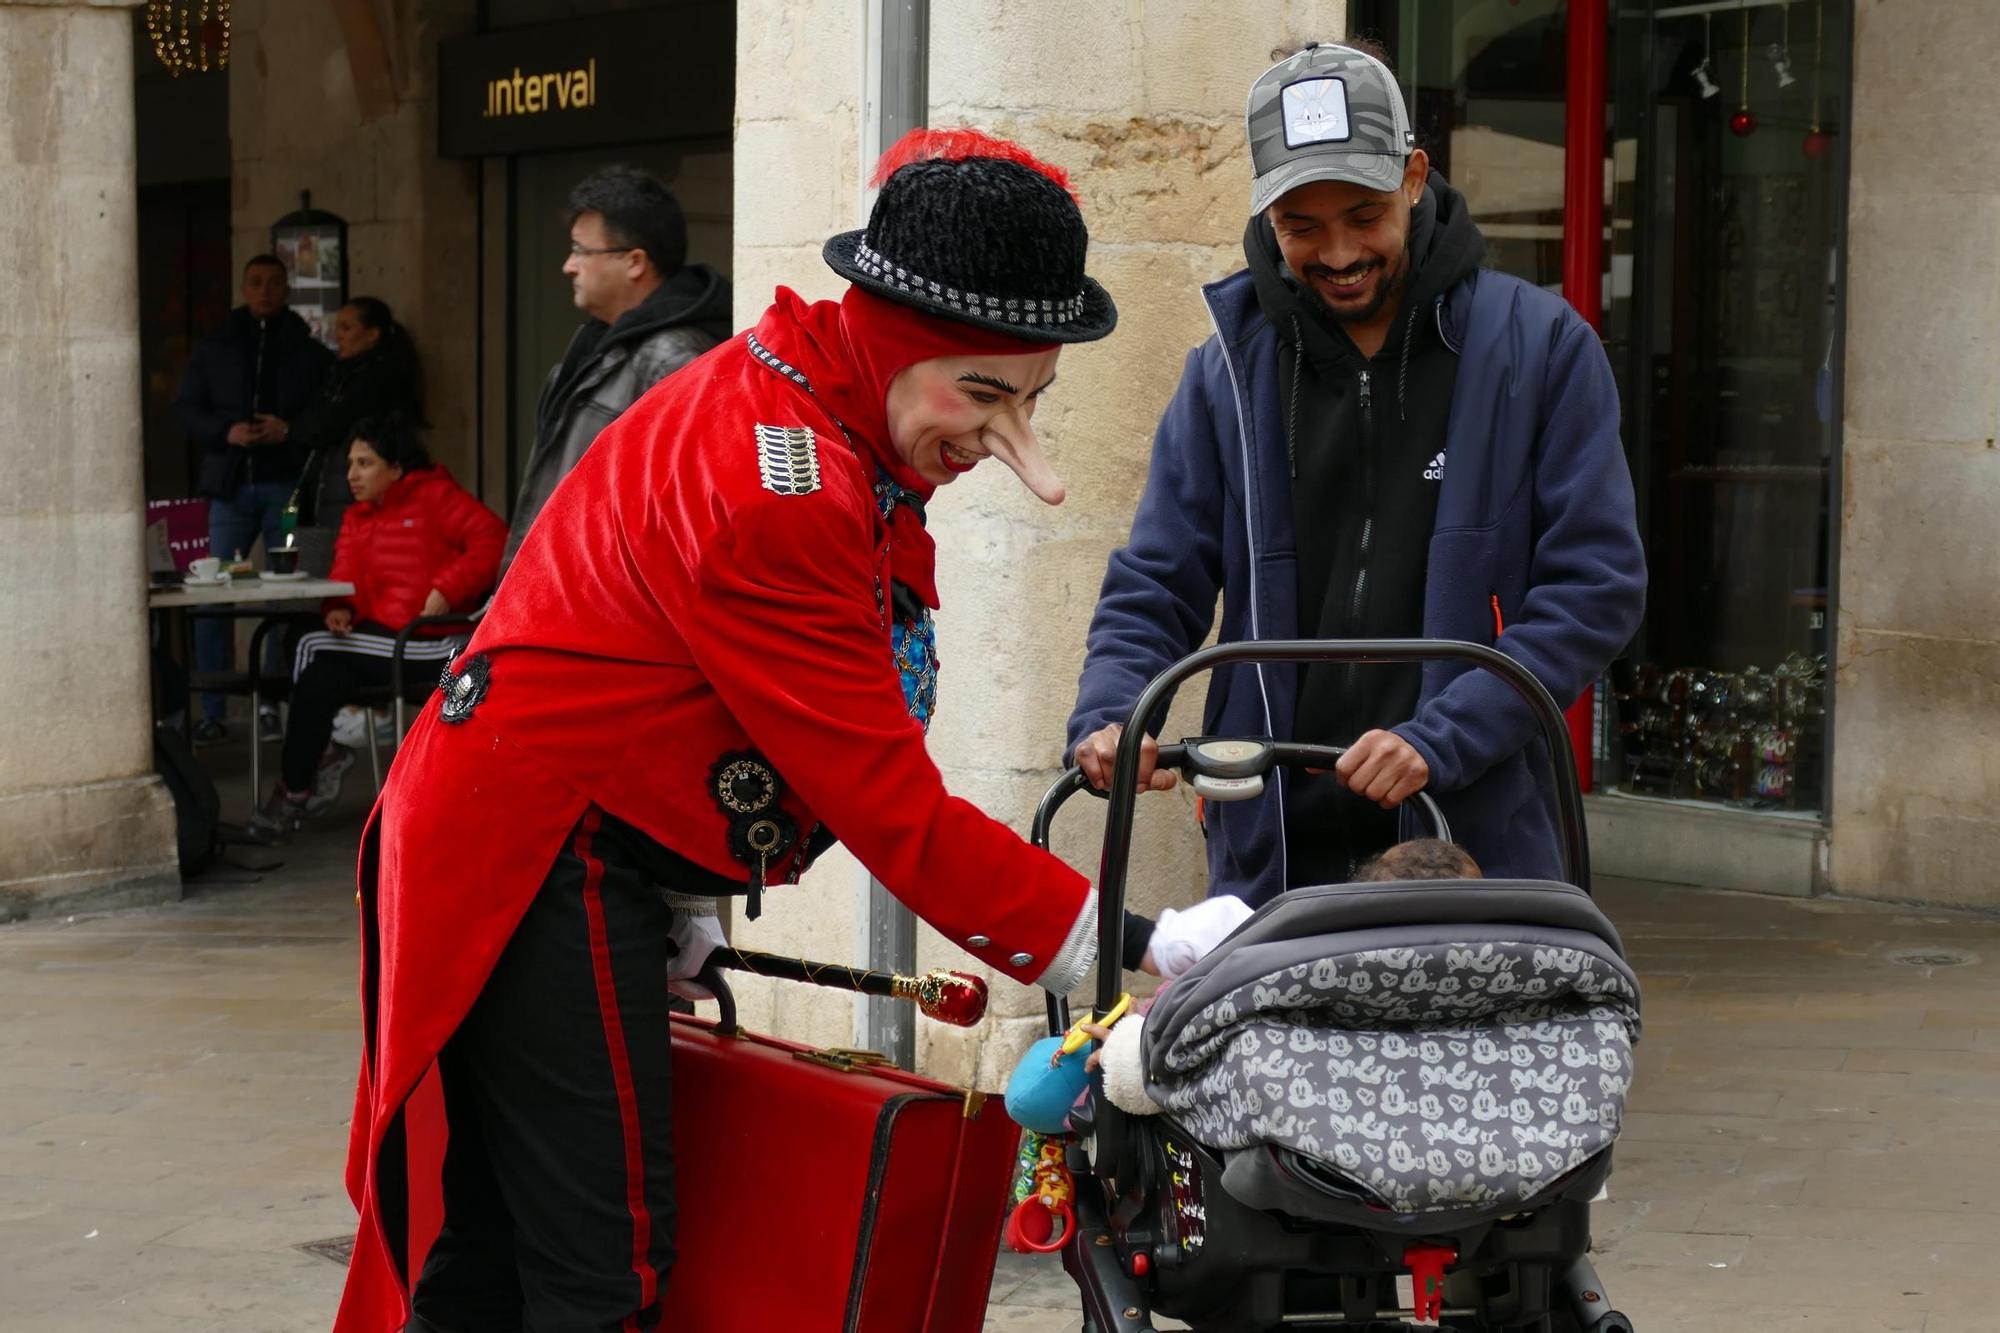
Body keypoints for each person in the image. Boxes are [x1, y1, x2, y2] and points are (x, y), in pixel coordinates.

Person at [335, 129, 1119, 1333]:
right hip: (535, 844)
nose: (1019, 449)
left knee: (496, 1248)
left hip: (532, 825)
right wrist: (1118, 946)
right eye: (984, 392)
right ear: (897, 343)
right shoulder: (781, 482)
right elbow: (888, 809)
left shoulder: (791, 402)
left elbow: (634, 654)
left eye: (1035, 400)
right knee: (605, 1266)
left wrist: (682, 892)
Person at [1069, 40, 1646, 925]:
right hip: (1274, 847)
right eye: (1301, 225)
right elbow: (1159, 578)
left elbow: (1595, 588)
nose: (1339, 252)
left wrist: (1441, 739)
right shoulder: (1226, 369)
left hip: (1473, 834)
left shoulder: (1543, 349)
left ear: (1415, 176)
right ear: (1265, 215)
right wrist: (1116, 709)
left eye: (1364, 214)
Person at [253, 414, 504, 835]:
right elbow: (346, 572)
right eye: (350, 464)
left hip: (426, 641)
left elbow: (493, 538)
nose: (352, 475)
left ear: (396, 468)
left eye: (365, 463)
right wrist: (340, 607)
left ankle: (321, 757)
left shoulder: (435, 496)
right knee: (316, 668)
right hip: (377, 640)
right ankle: (297, 788)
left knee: (307, 642)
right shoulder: (358, 516)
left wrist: (445, 588)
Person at [499, 164, 733, 579]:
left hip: (599, 616)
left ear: (634, 262)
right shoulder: (599, 344)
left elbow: (691, 517)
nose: (568, 266)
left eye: (581, 251)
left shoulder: (673, 356)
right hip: (559, 604)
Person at [176, 253, 333, 743]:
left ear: (287, 290)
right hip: (229, 487)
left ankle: (273, 701)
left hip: (288, 489)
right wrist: (227, 432)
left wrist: (287, 429)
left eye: (273, 283)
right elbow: (186, 409)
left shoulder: (310, 351)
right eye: (255, 282)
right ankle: (213, 709)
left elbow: (326, 413)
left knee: (288, 596)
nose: (264, 291)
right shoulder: (217, 345)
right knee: (212, 596)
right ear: (243, 289)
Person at [283, 296, 426, 576]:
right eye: (337, 327)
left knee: (347, 572)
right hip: (326, 488)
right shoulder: (337, 374)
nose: (338, 336)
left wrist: (297, 428)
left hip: (350, 495)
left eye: (347, 328)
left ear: (372, 334)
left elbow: (325, 424)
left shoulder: (378, 378)